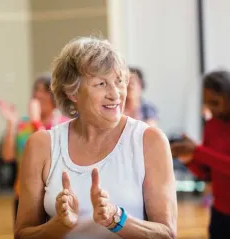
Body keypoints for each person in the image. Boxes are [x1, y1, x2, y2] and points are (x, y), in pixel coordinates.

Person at [14, 37, 177, 239]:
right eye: (101, 84)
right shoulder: (41, 145)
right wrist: (60, 225)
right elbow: (23, 234)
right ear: (72, 92)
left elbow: (166, 234)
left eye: (119, 81)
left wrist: (116, 219)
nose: (115, 94)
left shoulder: (150, 141)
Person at [171, 70, 230, 239]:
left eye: (215, 102)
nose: (210, 108)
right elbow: (207, 172)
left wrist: (196, 150)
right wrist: (188, 159)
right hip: (220, 211)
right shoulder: (211, 125)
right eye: (207, 102)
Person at [0, 74, 69, 219]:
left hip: (53, 194)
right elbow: (8, 156)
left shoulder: (63, 123)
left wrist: (36, 122)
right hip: (23, 192)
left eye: (44, 91)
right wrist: (11, 125)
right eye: (36, 90)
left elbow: (52, 153)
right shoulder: (23, 124)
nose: (38, 94)